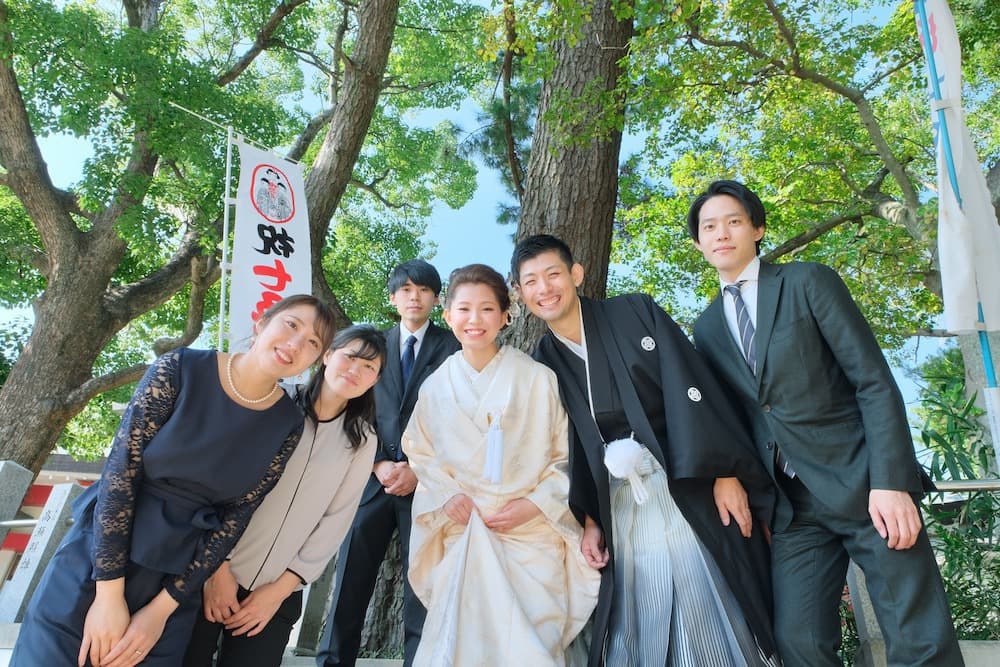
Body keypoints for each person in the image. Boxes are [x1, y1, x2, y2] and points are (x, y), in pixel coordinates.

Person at [688, 179, 964, 666]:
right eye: (709, 227)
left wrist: (892, 482)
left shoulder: (807, 281)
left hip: (865, 485)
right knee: (798, 642)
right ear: (698, 243)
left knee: (917, 637)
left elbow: (873, 382)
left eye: (733, 221)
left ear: (757, 228)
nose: (721, 233)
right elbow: (735, 418)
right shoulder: (706, 327)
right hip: (793, 509)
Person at [12, 294, 336, 667]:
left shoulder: (288, 422)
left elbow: (236, 517)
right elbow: (121, 472)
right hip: (99, 561)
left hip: (176, 581)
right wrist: (107, 595)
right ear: (262, 323)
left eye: (313, 342)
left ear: (316, 359)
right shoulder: (180, 367)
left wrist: (160, 611)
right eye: (291, 325)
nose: (296, 344)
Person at [512, 234, 780, 667]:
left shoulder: (634, 312)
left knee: (706, 590)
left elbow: (692, 386)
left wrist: (726, 472)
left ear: (576, 274)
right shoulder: (541, 362)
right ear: (521, 294)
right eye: (531, 282)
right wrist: (590, 519)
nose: (545, 288)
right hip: (621, 504)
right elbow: (567, 448)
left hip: (688, 483)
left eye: (553, 274)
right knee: (643, 607)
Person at [403, 263, 600, 666]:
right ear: (447, 315)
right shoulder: (435, 386)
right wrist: (447, 496)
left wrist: (534, 505)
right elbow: (421, 455)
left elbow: (563, 457)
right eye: (464, 309)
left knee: (531, 646)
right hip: (464, 530)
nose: (474, 320)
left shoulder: (538, 378)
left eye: (487, 309)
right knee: (461, 647)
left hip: (529, 532)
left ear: (506, 315)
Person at [183, 324, 387, 667]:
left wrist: (278, 592)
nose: (357, 370)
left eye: (370, 367)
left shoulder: (363, 440)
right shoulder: (275, 401)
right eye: (351, 357)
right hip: (213, 572)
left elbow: (336, 521)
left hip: (278, 593)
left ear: (376, 380)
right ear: (327, 356)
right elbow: (225, 484)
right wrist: (218, 569)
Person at [316, 260, 459, 667]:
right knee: (349, 583)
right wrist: (378, 463)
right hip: (371, 480)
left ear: (435, 298)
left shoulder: (453, 348)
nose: (414, 297)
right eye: (406, 290)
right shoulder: (371, 347)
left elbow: (458, 418)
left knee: (423, 587)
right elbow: (355, 408)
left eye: (424, 290)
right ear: (393, 297)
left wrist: (418, 468)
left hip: (427, 484)